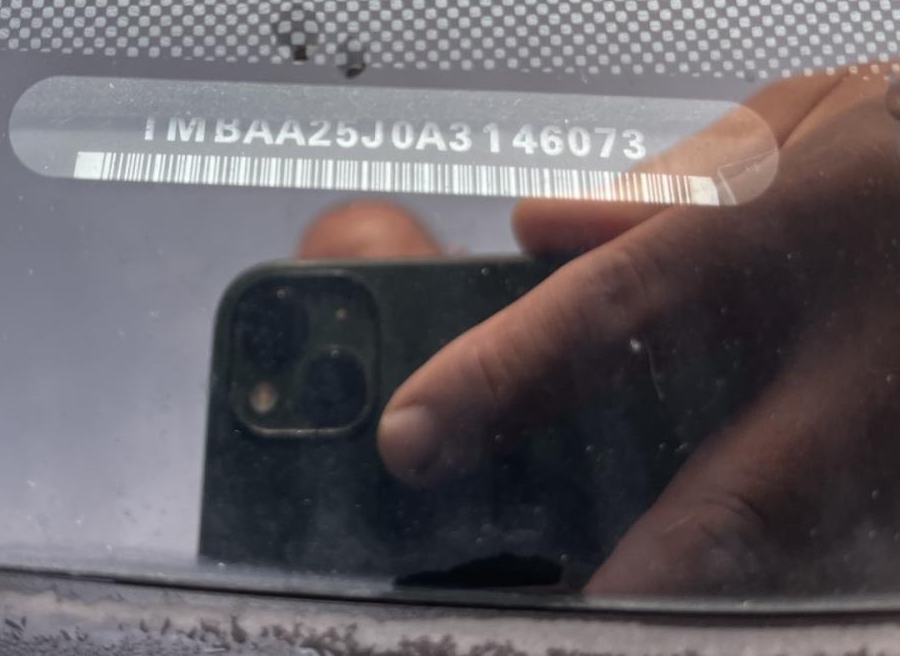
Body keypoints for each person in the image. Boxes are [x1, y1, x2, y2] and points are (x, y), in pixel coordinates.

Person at [298, 68, 900, 595]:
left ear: (452, 277)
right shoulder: (284, 549)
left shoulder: (572, 401)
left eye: (398, 291)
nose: (398, 385)